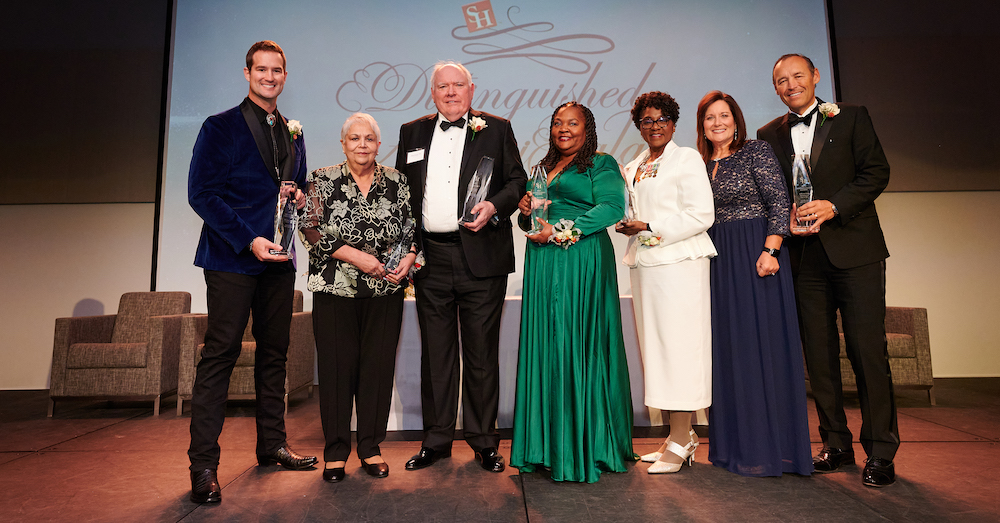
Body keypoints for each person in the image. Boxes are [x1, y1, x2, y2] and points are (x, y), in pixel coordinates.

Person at [186, 40, 317, 504]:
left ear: (285, 75)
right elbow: (201, 194)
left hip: (279, 260)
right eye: (261, 70)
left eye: (276, 70)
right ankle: (203, 466)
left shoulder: (292, 131)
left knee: (275, 354)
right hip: (232, 258)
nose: (269, 76)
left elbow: (293, 185)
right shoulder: (219, 126)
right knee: (220, 355)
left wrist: (300, 196)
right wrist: (248, 239)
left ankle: (272, 444)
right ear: (247, 74)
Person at [758, 53, 897, 487]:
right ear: (775, 87)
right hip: (803, 258)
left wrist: (834, 206)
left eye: (798, 75)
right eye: (781, 80)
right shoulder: (768, 134)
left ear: (815, 77)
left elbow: (877, 173)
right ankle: (836, 444)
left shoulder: (851, 117)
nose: (790, 84)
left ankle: (880, 452)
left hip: (855, 252)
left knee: (867, 352)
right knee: (818, 357)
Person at [394, 61, 527, 473]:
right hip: (430, 257)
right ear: (432, 93)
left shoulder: (498, 129)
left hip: (481, 256)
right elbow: (402, 194)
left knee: (482, 353)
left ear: (472, 90)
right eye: (442, 87)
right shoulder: (411, 132)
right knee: (436, 354)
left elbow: (517, 181)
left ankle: (485, 441)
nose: (450, 93)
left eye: (457, 86)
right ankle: (435, 440)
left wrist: (494, 206)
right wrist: (408, 250)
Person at [510, 102, 634, 483]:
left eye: (573, 123)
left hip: (580, 260)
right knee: (548, 345)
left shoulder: (601, 163)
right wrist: (526, 211)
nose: (564, 129)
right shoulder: (542, 168)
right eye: (558, 123)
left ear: (587, 128)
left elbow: (613, 208)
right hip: (544, 263)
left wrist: (564, 231)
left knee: (578, 343)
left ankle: (587, 445)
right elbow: (528, 221)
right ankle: (546, 446)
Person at [696, 90, 813, 477]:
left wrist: (772, 249)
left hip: (755, 256)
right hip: (717, 261)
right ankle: (735, 448)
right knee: (729, 352)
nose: (718, 123)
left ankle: (772, 449)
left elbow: (779, 201)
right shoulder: (699, 163)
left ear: (736, 119)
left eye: (724, 115)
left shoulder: (755, 151)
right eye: (710, 117)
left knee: (760, 348)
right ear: (702, 124)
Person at [299, 113, 417, 483]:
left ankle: (370, 446)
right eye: (354, 138)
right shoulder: (321, 179)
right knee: (336, 370)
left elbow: (411, 230)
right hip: (336, 288)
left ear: (379, 145)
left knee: (377, 371)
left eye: (369, 139)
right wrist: (356, 256)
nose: (362, 145)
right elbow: (309, 229)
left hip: (386, 290)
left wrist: (410, 258)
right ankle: (335, 451)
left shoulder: (398, 181)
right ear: (343, 143)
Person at [615, 91, 716, 474]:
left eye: (661, 120)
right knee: (657, 352)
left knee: (680, 350)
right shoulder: (636, 164)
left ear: (673, 123)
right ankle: (678, 437)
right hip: (646, 265)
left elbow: (701, 214)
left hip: (679, 264)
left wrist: (651, 226)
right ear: (638, 126)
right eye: (646, 121)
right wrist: (632, 224)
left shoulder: (686, 158)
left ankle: (683, 437)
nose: (654, 127)